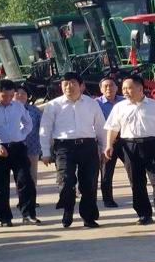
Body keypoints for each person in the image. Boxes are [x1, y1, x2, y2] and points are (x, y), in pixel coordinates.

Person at [104, 75, 155, 226]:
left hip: (151, 145)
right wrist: (109, 145)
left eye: (129, 88)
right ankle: (144, 214)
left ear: (140, 88)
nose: (125, 91)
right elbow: (112, 128)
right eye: (123, 88)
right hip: (129, 147)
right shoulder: (119, 107)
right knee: (136, 182)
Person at [40, 72, 106, 229]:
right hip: (64, 147)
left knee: (89, 183)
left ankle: (88, 217)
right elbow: (45, 129)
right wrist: (45, 152)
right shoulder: (53, 105)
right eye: (65, 84)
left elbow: (100, 127)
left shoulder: (91, 103)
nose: (68, 87)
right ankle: (67, 209)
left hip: (88, 146)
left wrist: (104, 148)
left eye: (73, 83)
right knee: (66, 181)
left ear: (81, 86)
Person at [0, 80, 40, 226]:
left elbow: (28, 123)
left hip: (17, 148)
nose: (8, 99)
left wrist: (21, 135)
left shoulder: (18, 106)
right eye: (4, 96)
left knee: (25, 180)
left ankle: (28, 214)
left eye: (10, 96)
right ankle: (4, 218)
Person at [96, 77, 123, 208]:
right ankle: (108, 199)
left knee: (134, 169)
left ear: (117, 87)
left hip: (124, 140)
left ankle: (139, 196)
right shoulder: (95, 104)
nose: (108, 88)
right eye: (105, 86)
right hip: (106, 141)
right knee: (106, 172)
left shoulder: (124, 101)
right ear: (101, 89)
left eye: (111, 85)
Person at [14, 86, 42, 187]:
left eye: (23, 93)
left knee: (32, 174)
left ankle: (32, 196)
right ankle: (21, 195)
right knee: (19, 175)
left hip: (32, 146)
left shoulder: (34, 110)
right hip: (14, 147)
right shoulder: (9, 109)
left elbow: (43, 126)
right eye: (17, 93)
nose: (20, 95)